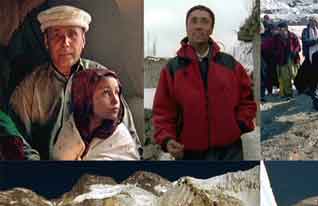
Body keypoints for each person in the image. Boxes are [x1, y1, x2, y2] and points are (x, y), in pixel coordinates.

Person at [7, 5, 140, 160]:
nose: (65, 43)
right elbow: (14, 137)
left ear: (83, 40)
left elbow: (130, 139)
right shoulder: (30, 87)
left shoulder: (102, 78)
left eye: (72, 35)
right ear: (46, 41)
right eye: (57, 36)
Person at [152, 5, 257, 161]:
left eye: (204, 22)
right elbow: (163, 111)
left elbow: (247, 100)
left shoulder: (230, 64)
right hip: (188, 153)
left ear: (211, 29)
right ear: (187, 27)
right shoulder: (172, 69)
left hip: (229, 152)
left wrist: (239, 125)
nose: (199, 26)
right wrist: (167, 139)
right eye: (193, 21)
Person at [52, 69, 139, 160]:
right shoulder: (71, 128)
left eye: (117, 92)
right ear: (85, 97)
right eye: (106, 92)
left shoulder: (120, 139)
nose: (116, 101)